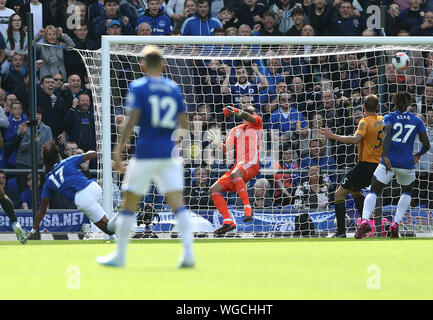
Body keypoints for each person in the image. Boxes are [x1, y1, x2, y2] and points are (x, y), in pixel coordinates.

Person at [96, 45, 194, 268]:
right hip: (169, 154)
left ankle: (120, 255)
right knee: (178, 204)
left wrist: (118, 152)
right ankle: (188, 253)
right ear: (163, 65)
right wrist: (172, 144)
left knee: (129, 202)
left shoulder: (139, 87)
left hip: (145, 153)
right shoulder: (173, 88)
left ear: (142, 66)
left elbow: (131, 122)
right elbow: (184, 125)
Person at [356, 91, 430, 239]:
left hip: (388, 162)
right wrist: (417, 155)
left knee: (373, 191)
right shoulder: (417, 120)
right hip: (407, 163)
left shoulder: (389, 117)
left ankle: (364, 221)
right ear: (409, 104)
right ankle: (395, 224)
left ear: (394, 103)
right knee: (407, 192)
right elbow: (427, 145)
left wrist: (384, 155)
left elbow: (388, 135)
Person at [320, 95, 383, 237]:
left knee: (338, 194)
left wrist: (333, 136)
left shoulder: (365, 121)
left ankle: (341, 232)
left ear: (364, 108)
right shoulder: (382, 121)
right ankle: (367, 226)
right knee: (355, 192)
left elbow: (356, 139)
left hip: (365, 166)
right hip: (378, 167)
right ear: (377, 107)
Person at [27, 142, 117, 240]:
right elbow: (92, 154)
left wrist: (33, 230)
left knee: (108, 227)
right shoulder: (68, 161)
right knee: (107, 227)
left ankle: (122, 211)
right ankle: (114, 239)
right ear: (58, 155)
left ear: (45, 162)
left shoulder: (48, 182)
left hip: (83, 199)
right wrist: (99, 154)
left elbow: (42, 210)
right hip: (93, 187)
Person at [207, 103, 263, 235]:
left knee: (235, 172)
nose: (248, 109)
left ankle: (248, 208)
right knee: (213, 190)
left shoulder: (257, 122)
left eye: (251, 110)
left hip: (251, 163)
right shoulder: (234, 130)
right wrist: (217, 142)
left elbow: (248, 116)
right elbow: (227, 149)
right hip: (239, 167)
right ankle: (228, 221)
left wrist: (234, 110)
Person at [0, 168, 27, 243]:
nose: (1, 180)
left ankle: (15, 223)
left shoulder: (12, 191)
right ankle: (15, 223)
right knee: (3, 197)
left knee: (2, 196)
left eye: (3, 178)